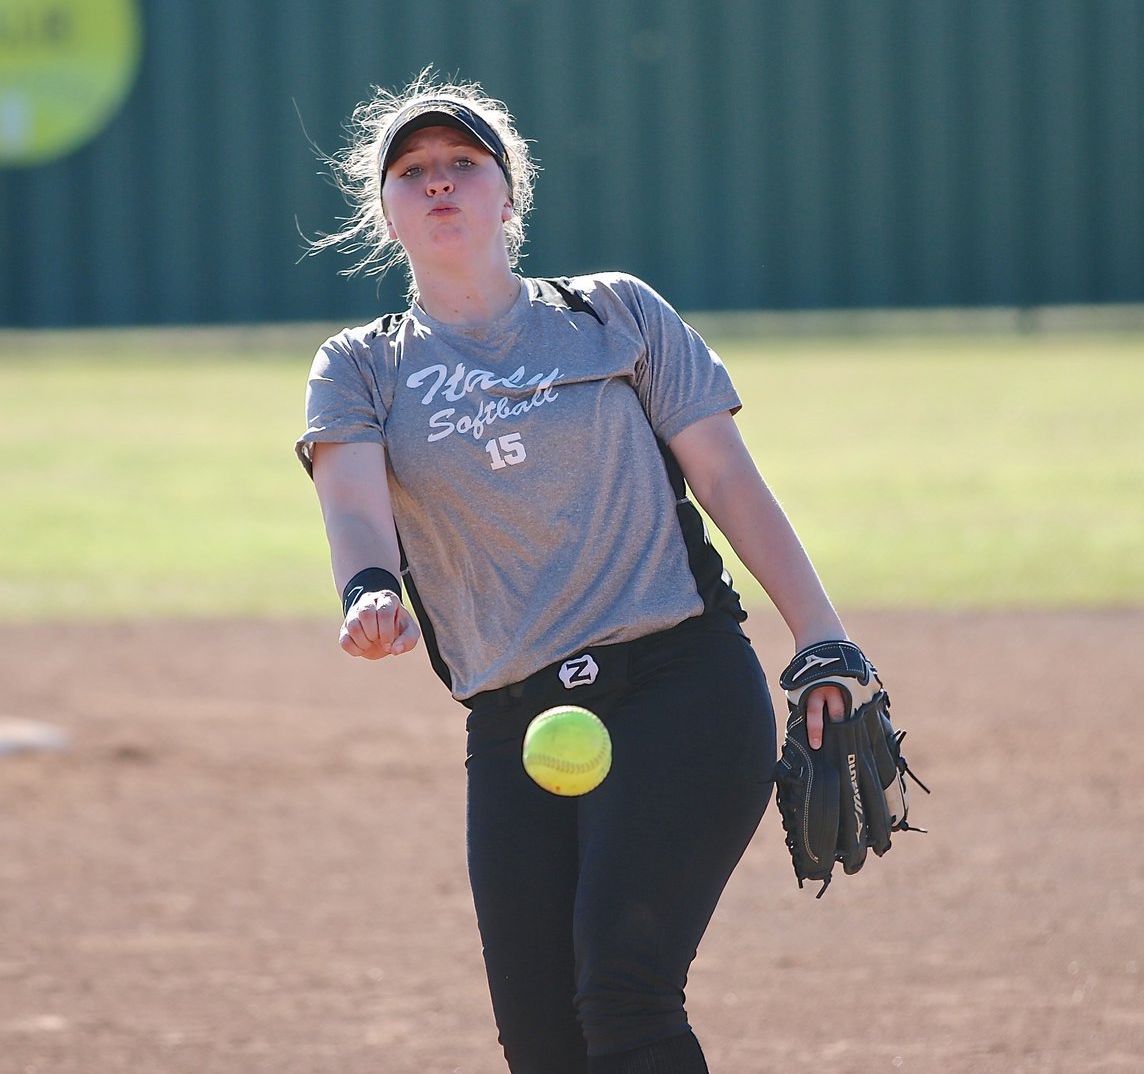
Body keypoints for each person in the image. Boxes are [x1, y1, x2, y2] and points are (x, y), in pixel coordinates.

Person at [297, 72, 852, 1074]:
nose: (439, 183)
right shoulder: (362, 365)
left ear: (509, 194)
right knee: (544, 1039)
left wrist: (823, 635)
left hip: (679, 686)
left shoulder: (612, 315)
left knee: (625, 991)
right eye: (412, 171)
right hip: (512, 721)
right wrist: (368, 590)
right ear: (382, 208)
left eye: (463, 164)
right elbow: (353, 509)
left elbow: (728, 479)